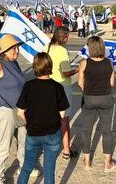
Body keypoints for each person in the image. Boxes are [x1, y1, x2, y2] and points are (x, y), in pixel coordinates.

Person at [0, 34, 39, 184]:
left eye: (17, 47)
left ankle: (24, 167)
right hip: (5, 111)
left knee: (24, 141)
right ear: (4, 51)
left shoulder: (14, 63)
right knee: (4, 146)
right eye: (13, 48)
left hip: (20, 109)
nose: (17, 51)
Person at [17, 52, 69, 184]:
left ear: (35, 66)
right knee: (49, 169)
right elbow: (62, 115)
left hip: (33, 133)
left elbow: (20, 112)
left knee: (27, 167)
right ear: (50, 65)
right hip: (52, 133)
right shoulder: (58, 87)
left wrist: (30, 123)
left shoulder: (28, 86)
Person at [78, 36, 116, 173]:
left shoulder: (84, 63)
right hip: (106, 98)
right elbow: (112, 84)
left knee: (86, 130)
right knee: (107, 131)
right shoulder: (109, 62)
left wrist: (88, 91)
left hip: (89, 99)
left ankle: (87, 162)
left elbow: (80, 83)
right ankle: (107, 164)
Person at [44, 26, 79, 160]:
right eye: (67, 36)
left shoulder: (47, 46)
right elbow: (65, 73)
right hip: (62, 87)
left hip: (48, 86)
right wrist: (77, 70)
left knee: (50, 118)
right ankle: (66, 150)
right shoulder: (63, 51)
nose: (68, 38)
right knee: (64, 120)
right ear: (62, 37)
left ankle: (49, 147)